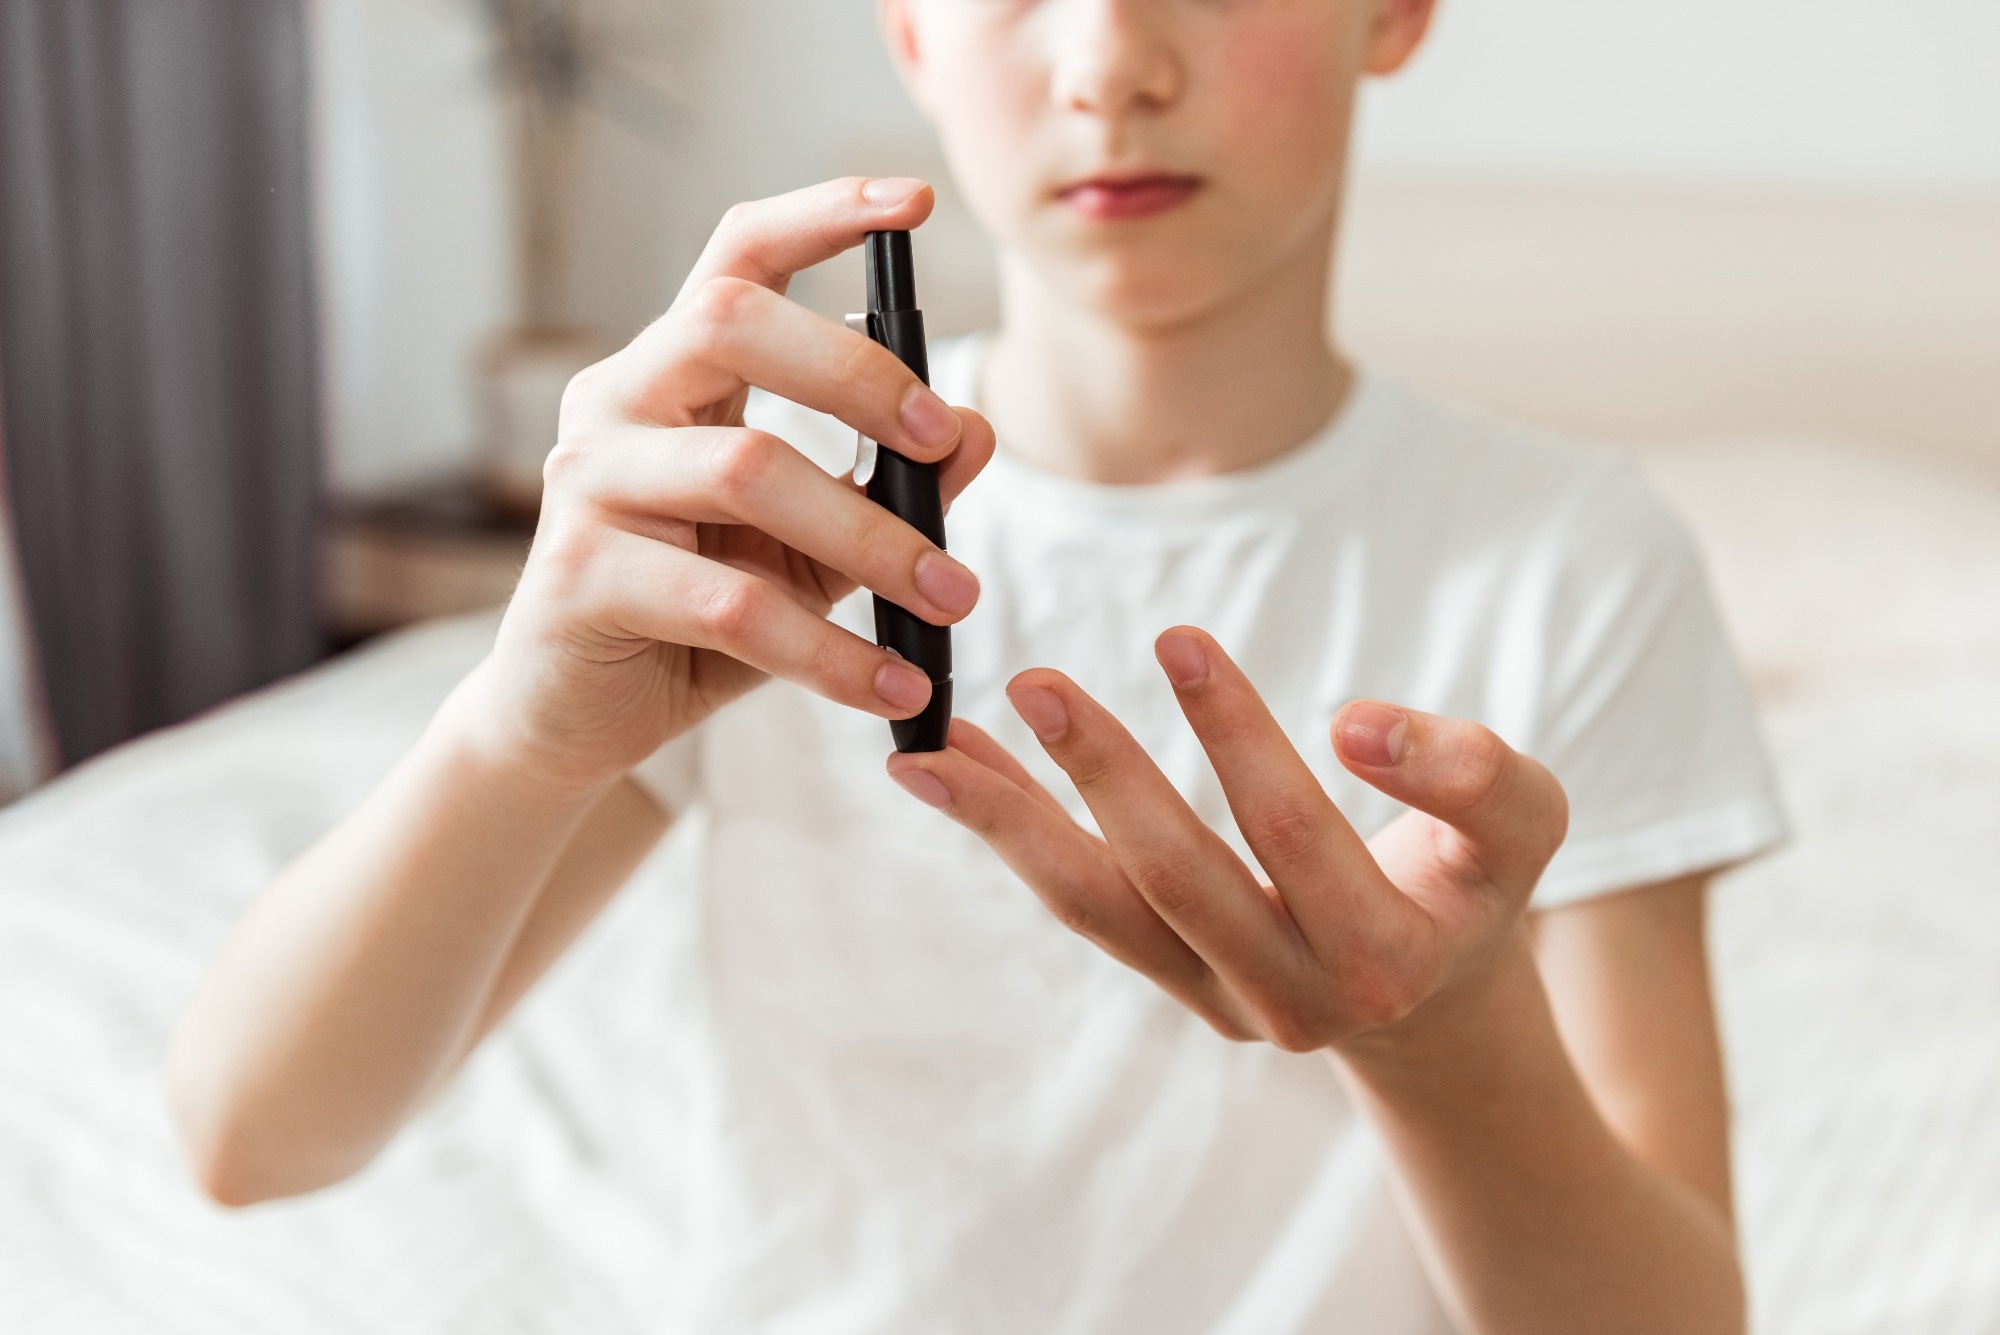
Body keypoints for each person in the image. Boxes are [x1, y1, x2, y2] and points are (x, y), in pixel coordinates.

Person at [166, 1, 1787, 1330]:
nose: (1109, 65)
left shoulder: (1573, 560)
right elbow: (252, 1137)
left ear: (1399, 14)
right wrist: (515, 735)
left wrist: (1446, 1042)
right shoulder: (764, 526)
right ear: (911, 38)